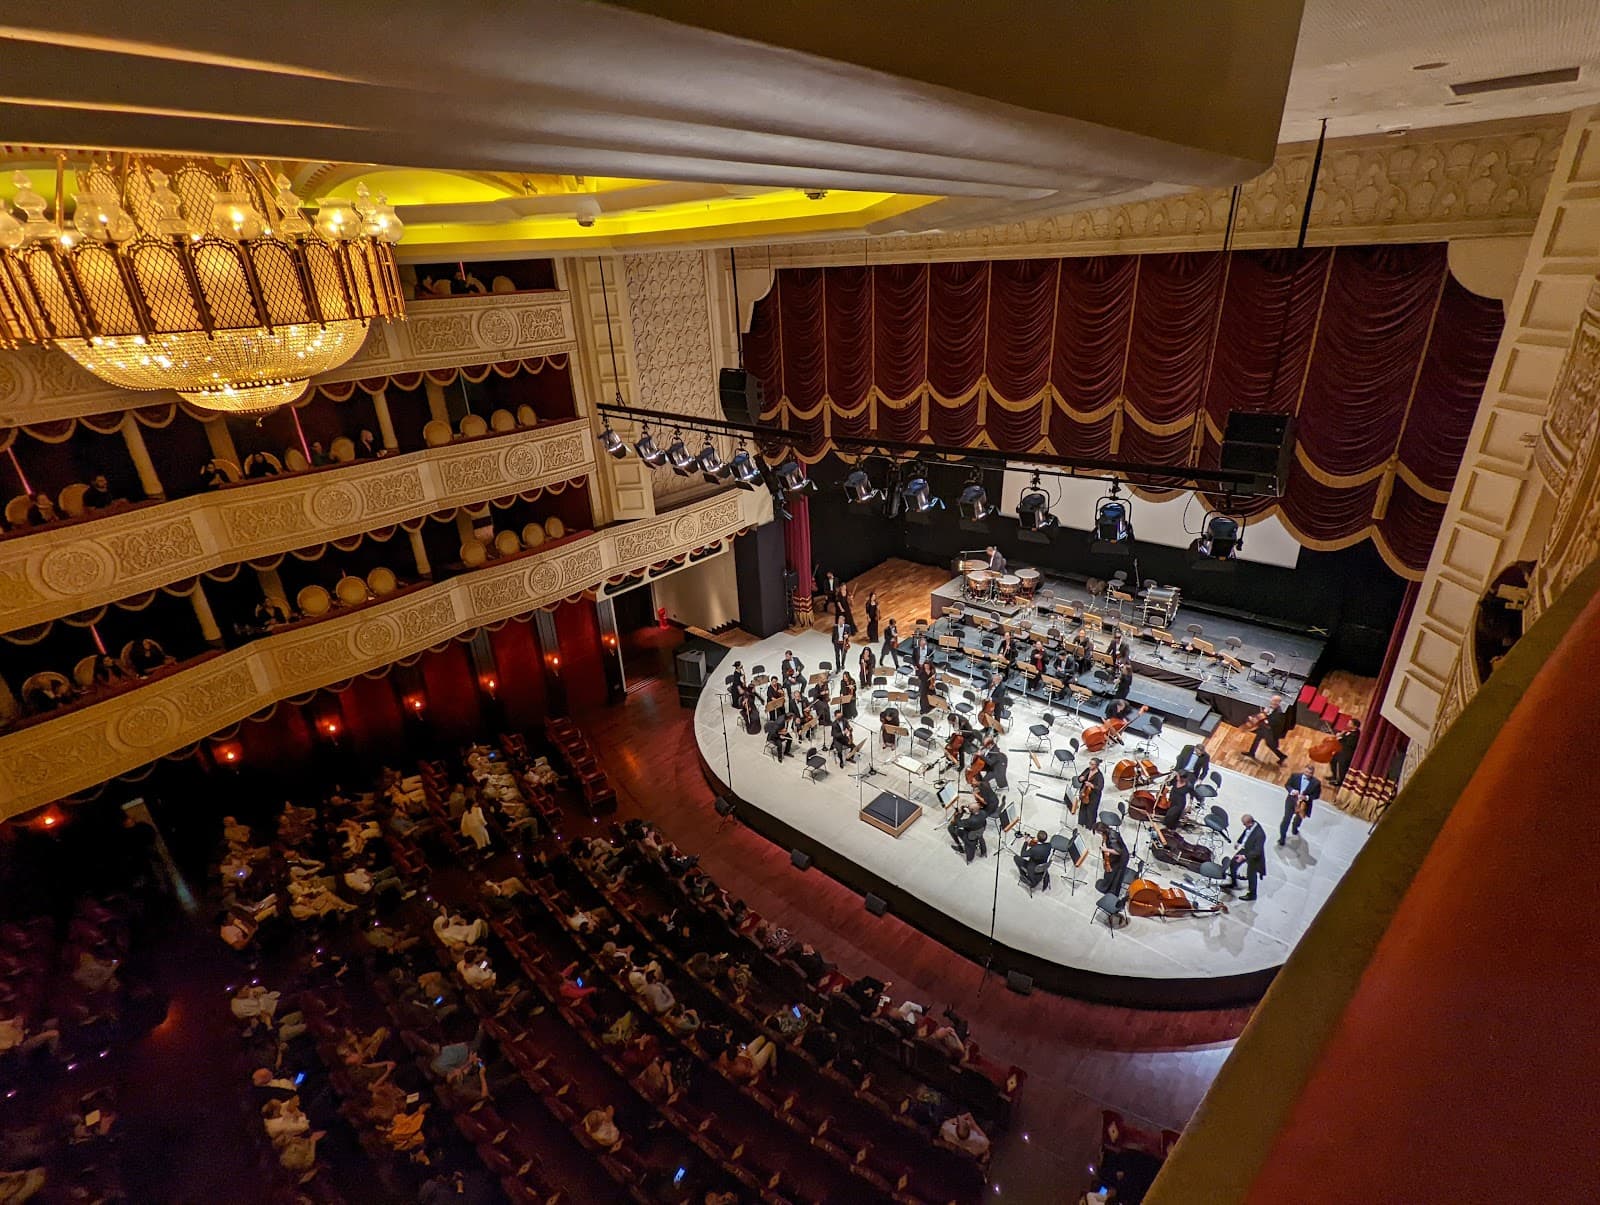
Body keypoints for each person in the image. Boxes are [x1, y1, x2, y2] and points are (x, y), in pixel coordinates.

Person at [1223, 813, 1267, 900]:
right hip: (1246, 848)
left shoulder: (1260, 835)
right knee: (1233, 864)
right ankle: (1234, 883)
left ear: (1250, 823)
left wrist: (1244, 857)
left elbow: (1257, 851)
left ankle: (1252, 894)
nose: (1244, 826)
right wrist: (1239, 842)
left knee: (1251, 875)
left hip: (1253, 855)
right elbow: (1245, 833)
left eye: (1244, 824)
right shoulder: (1250, 826)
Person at [1279, 764, 1322, 845]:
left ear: (1313, 773)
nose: (1308, 774)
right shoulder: (1295, 776)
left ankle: (1295, 828)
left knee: (1299, 819)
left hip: (1304, 805)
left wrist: (1306, 797)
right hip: (1292, 801)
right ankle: (1282, 838)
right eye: (1306, 772)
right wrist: (1292, 791)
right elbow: (1287, 785)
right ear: (1304, 770)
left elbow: (1316, 795)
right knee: (1286, 819)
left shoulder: (1316, 783)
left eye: (1310, 773)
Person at [1246, 693, 1291, 764]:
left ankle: (1282, 756)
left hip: (1270, 731)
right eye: (1272, 700)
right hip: (1264, 728)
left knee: (1270, 744)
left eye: (1273, 701)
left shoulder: (1279, 713)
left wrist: (1263, 719)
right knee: (1257, 739)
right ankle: (1251, 753)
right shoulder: (1271, 707)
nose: (1271, 702)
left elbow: (1272, 722)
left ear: (1278, 702)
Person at [1096, 823, 1129, 893]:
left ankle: (1112, 891)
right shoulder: (1108, 832)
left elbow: (1118, 852)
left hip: (1122, 858)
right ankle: (1108, 886)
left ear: (1101, 831)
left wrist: (1106, 849)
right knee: (1112, 873)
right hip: (1117, 857)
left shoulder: (1112, 837)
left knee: (1116, 875)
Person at [1074, 757, 1105, 829]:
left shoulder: (1099, 776)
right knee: (1083, 809)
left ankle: (1090, 826)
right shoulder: (1087, 770)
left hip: (1093, 797)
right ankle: (1081, 823)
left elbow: (1100, 788)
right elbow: (1080, 777)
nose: (1090, 765)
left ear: (1096, 766)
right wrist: (1080, 778)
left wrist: (1092, 785)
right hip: (1085, 793)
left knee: (1090, 812)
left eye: (1092, 764)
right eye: (1090, 763)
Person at [1330, 718, 1361, 787]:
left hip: (1345, 754)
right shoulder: (1348, 731)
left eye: (1350, 723)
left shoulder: (1355, 735)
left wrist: (1341, 738)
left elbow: (1349, 744)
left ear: (1355, 726)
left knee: (1342, 769)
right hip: (1340, 751)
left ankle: (1339, 782)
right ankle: (1334, 777)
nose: (1348, 724)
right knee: (1332, 761)